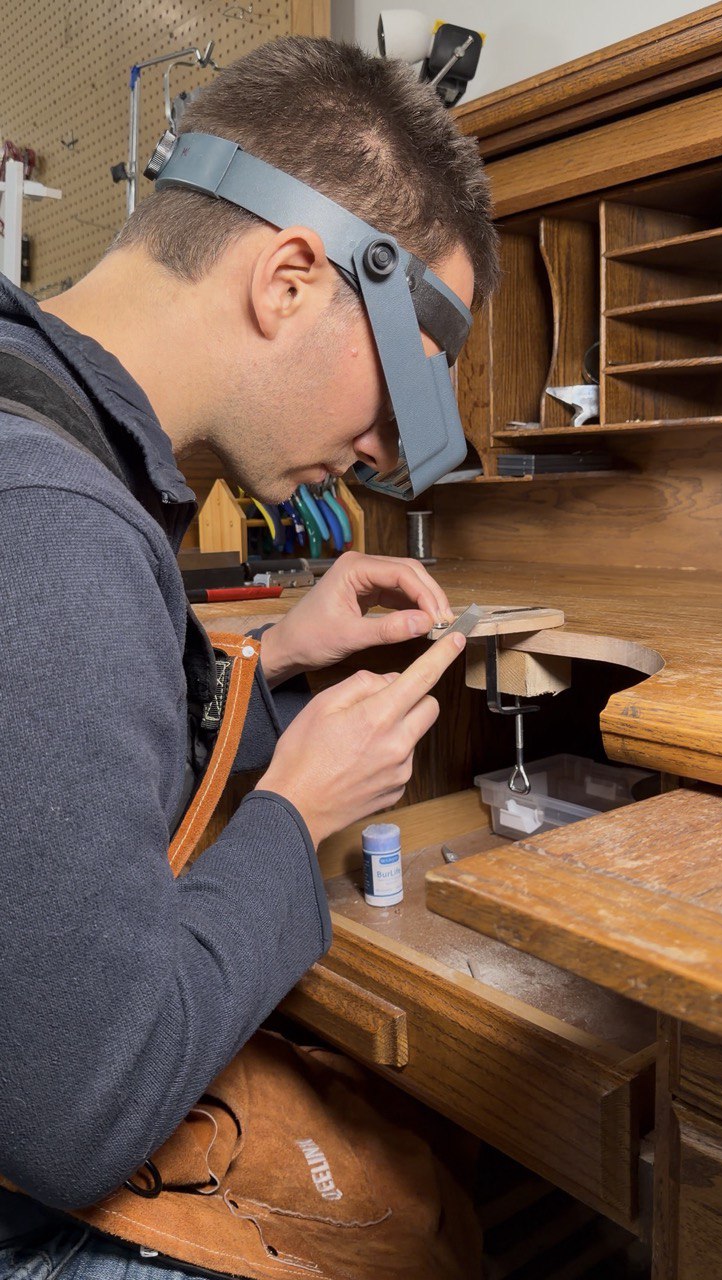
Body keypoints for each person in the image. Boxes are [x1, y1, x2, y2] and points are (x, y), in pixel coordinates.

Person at [0, 35, 498, 1280]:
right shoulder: (57, 528)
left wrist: (269, 663)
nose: (387, 448)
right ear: (288, 279)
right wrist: (297, 808)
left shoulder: (38, 426)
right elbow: (81, 1109)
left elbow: (54, 797)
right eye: (404, 393)